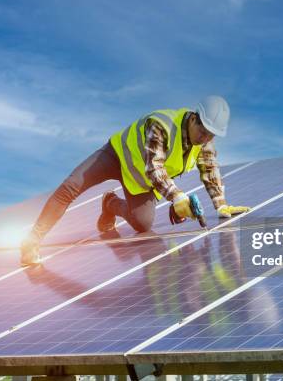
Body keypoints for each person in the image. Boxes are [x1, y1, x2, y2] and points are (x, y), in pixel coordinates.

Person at [20, 95, 251, 265]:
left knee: (143, 225)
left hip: (139, 180)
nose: (206, 138)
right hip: (115, 156)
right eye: (204, 132)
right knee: (71, 186)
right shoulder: (161, 124)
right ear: (193, 118)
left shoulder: (204, 143)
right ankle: (32, 240)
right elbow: (154, 167)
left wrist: (220, 204)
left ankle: (110, 204)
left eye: (212, 134)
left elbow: (210, 170)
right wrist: (176, 196)